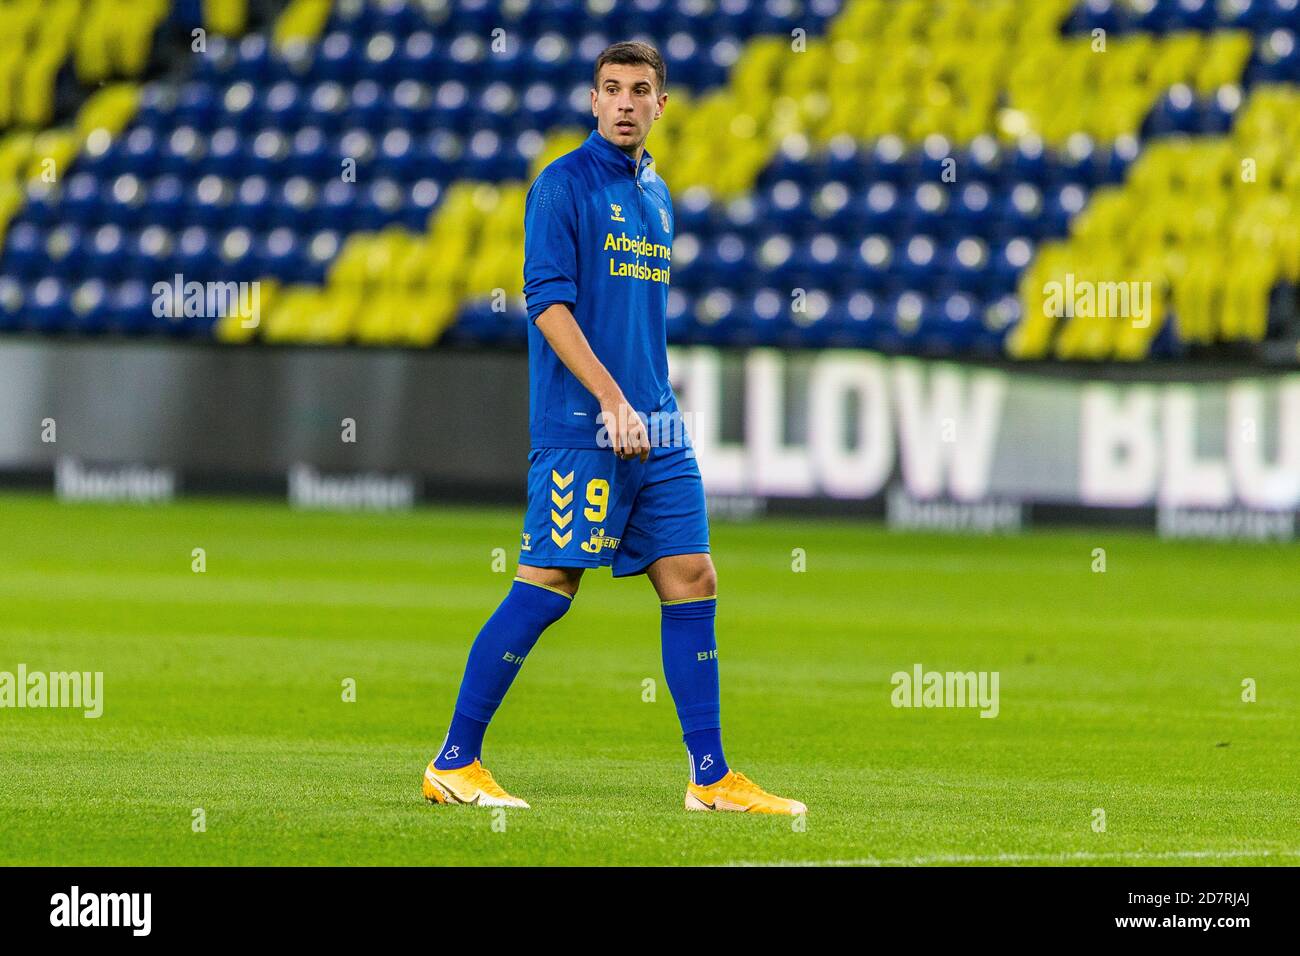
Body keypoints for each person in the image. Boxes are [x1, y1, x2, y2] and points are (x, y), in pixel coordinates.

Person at [422, 40, 805, 815]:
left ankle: (711, 777)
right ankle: (454, 761)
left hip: (655, 424)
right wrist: (609, 399)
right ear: (593, 102)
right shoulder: (561, 187)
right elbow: (549, 306)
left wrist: (646, 405)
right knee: (551, 583)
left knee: (693, 577)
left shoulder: (658, 194)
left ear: (663, 105)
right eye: (611, 89)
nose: (626, 102)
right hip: (582, 423)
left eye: (640, 91)